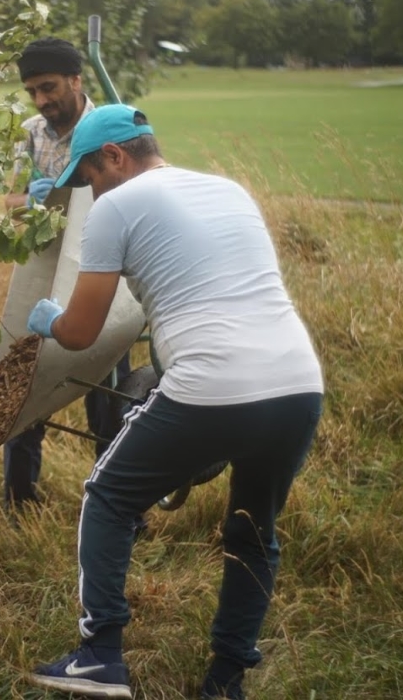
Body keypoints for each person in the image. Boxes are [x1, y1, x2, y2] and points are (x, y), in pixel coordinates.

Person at [23, 104, 324, 700]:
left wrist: (50, 320)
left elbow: (83, 333)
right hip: (297, 383)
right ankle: (225, 680)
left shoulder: (115, 205)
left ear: (114, 156)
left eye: (85, 177)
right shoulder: (229, 188)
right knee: (251, 530)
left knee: (108, 497)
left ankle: (100, 655)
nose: (87, 191)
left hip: (212, 386)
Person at [2, 37, 132, 512]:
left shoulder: (111, 125)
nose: (42, 100)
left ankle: (113, 504)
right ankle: (19, 505)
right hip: (43, 274)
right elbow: (9, 201)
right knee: (23, 387)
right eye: (32, 91)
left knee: (106, 394)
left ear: (77, 80)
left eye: (50, 87)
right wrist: (30, 201)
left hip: (100, 274)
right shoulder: (29, 133)